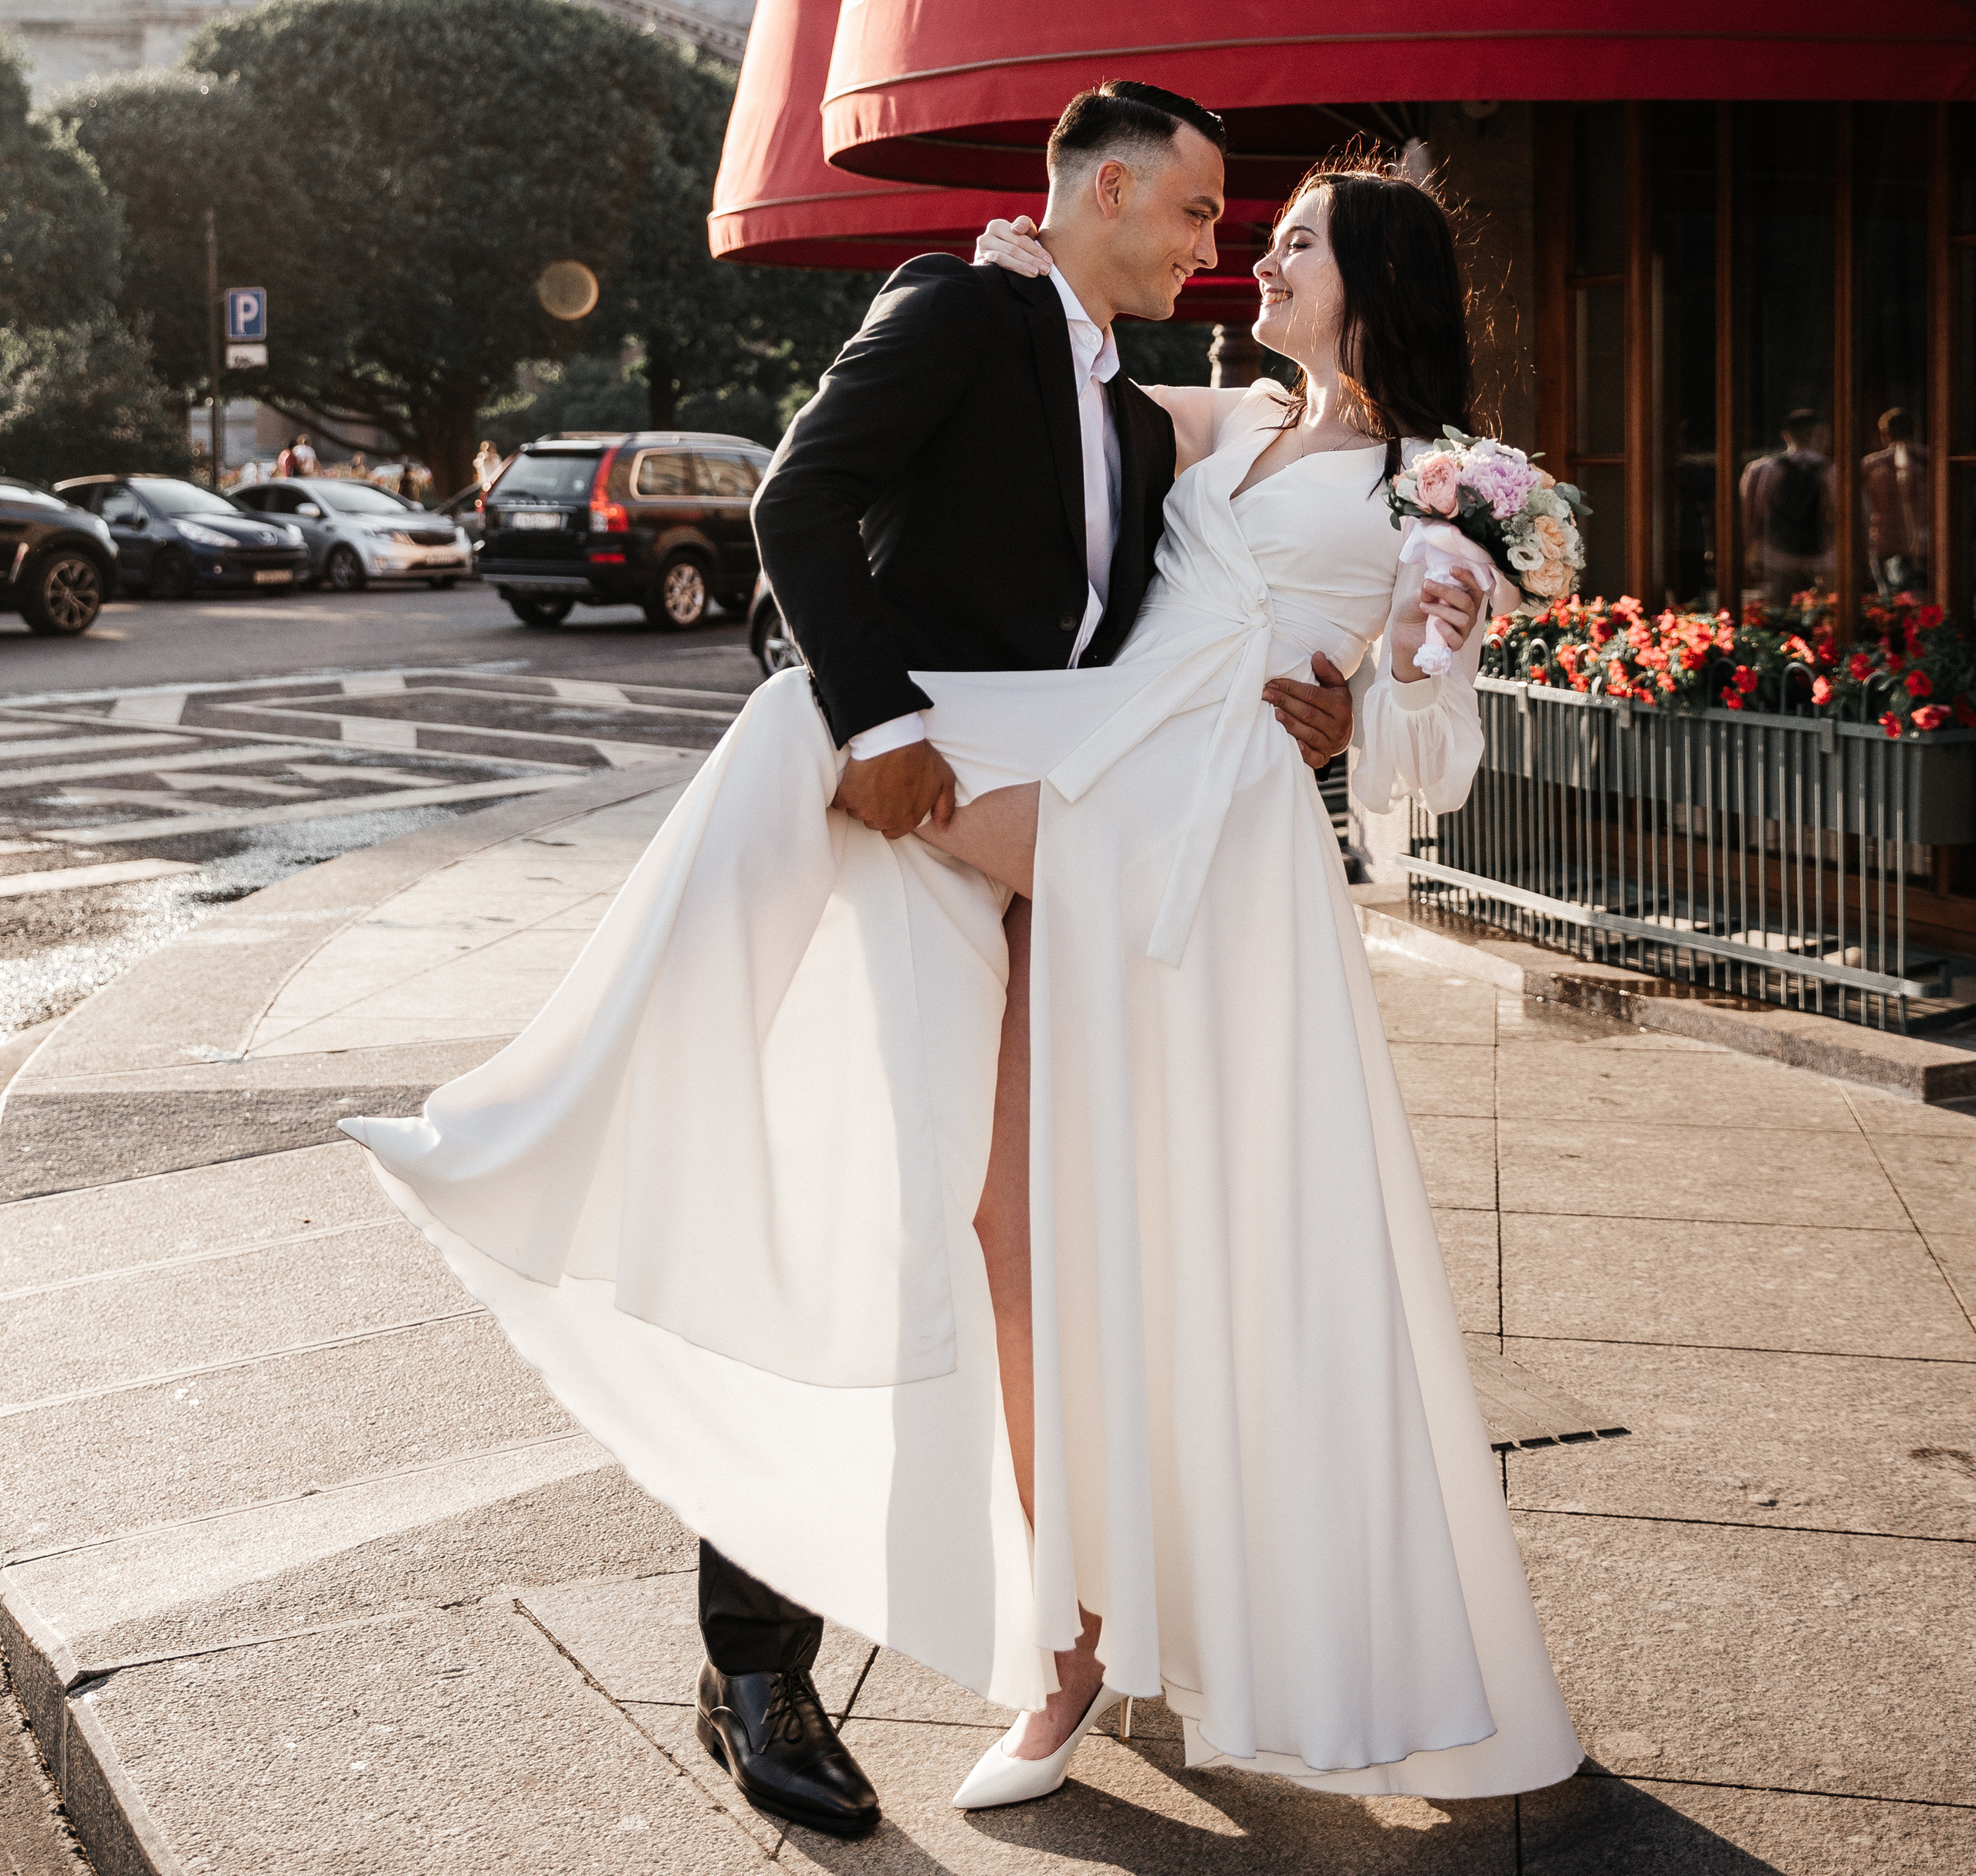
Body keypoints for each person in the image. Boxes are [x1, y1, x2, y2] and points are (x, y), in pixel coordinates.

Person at [346, 99, 1581, 1837]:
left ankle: (1106, 1627)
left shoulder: (1432, 492)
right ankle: (1041, 1624)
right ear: (1104, 191)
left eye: (1283, 233)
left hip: (1200, 846)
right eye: (1219, 214)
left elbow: (1428, 748)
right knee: (992, 1204)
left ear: (1370, 278)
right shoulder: (1204, 421)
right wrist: (1013, 272)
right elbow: (986, 419)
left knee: (1170, 1241)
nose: (1238, 249)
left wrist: (1361, 703)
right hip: (1079, 801)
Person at [1739, 407, 1834, 607]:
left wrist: (1748, 550)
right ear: (1821, 434)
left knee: (1779, 613)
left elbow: (1750, 514)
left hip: (1777, 555)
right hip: (1824, 557)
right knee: (1822, 616)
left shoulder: (1761, 469)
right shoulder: (1832, 470)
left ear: (1786, 435)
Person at [1860, 405, 1930, 600]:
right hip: (1925, 537)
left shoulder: (1871, 464)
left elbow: (1863, 506)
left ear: (1885, 433)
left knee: (1886, 598)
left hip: (1883, 537)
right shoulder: (1930, 460)